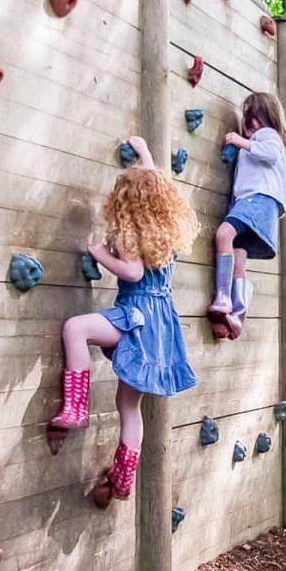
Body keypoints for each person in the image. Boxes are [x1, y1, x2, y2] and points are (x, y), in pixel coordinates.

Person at [48, 136, 200, 506]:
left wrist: (100, 253)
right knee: (129, 407)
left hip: (136, 315)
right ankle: (122, 476)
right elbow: (154, 181)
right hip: (159, 324)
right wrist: (145, 155)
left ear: (126, 203)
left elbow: (131, 273)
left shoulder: (130, 234)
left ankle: (76, 407)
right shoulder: (163, 230)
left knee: (76, 328)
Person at [209, 92, 286, 339]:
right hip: (259, 203)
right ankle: (237, 313)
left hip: (257, 200)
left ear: (261, 117)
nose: (247, 122)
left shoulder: (268, 135)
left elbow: (269, 153)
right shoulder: (266, 137)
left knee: (223, 234)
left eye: (250, 116)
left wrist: (241, 141)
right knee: (238, 253)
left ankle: (224, 297)